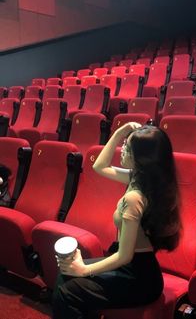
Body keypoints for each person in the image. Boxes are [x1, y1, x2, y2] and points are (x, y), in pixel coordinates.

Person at [52, 122, 182, 319]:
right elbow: (99, 166)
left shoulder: (135, 197)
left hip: (139, 279)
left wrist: (84, 269)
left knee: (68, 290)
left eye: (128, 149)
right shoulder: (140, 179)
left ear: (142, 159)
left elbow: (124, 256)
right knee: (65, 277)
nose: (122, 151)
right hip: (134, 268)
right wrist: (120, 132)